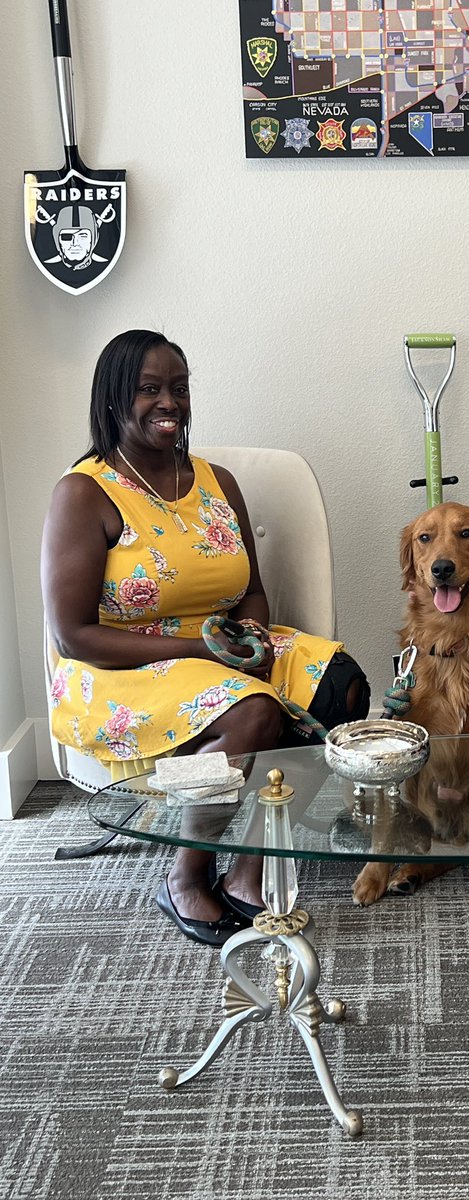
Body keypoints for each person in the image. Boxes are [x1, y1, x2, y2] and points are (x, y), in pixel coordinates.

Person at [41, 330, 370, 946]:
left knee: (342, 686)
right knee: (251, 713)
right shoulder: (85, 493)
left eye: (179, 389)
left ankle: (251, 869)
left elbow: (249, 587)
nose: (169, 402)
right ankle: (186, 878)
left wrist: (251, 635)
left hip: (216, 646)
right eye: (149, 389)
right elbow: (73, 635)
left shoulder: (218, 483)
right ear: (114, 397)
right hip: (120, 667)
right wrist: (205, 653)